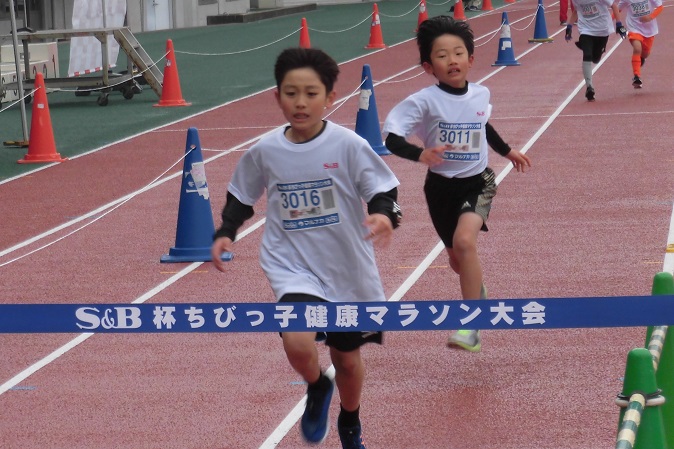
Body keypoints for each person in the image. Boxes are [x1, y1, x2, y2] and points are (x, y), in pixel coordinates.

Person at [211, 47, 402, 449]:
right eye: (290, 92)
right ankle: (316, 386)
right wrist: (226, 230)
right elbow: (242, 194)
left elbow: (382, 188)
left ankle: (350, 422)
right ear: (277, 96)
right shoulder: (265, 150)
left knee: (347, 360)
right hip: (291, 264)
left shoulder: (347, 144)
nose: (300, 102)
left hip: (347, 266)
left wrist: (384, 215)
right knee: (297, 341)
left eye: (311, 93)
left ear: (330, 98)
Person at [382, 16, 531, 353]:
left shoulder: (481, 93)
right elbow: (391, 138)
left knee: (466, 242)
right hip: (439, 189)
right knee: (456, 259)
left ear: (471, 59)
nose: (452, 60)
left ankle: (472, 324)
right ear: (427, 66)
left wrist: (508, 152)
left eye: (459, 53)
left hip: (478, 182)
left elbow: (483, 126)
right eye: (442, 55)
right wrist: (419, 154)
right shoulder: (424, 101)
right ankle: (476, 290)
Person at [565, 0, 627, 101]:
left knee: (596, 59)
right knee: (587, 55)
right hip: (586, 30)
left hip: (602, 30)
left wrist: (619, 25)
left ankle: (596, 50)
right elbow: (576, 10)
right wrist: (569, 27)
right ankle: (589, 87)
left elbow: (614, 6)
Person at [616, 0, 663, 88]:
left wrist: (650, 17)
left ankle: (641, 58)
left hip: (649, 29)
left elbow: (660, 7)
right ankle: (636, 76)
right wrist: (610, 22)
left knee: (645, 54)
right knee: (637, 48)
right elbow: (617, 9)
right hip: (634, 27)